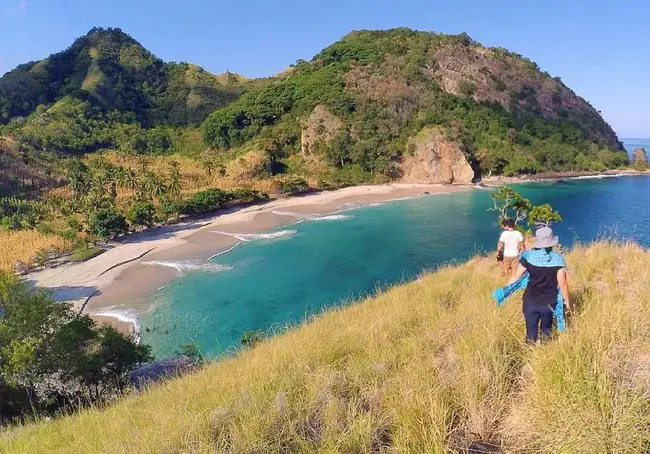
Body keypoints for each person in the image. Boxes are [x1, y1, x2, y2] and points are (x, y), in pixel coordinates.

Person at [508, 226, 571, 343]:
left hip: (530, 301)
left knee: (530, 333)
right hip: (549, 302)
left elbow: (516, 276)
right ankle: (544, 354)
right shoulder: (558, 260)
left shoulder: (527, 257)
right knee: (546, 331)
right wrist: (567, 302)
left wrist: (507, 290)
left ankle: (530, 353)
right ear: (551, 242)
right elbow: (562, 283)